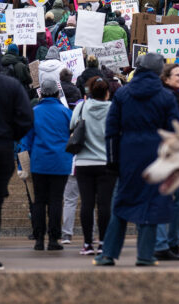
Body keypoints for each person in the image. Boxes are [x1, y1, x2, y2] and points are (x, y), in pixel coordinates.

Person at [95, 53, 179, 266]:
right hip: (157, 155)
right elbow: (175, 134)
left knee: (121, 204)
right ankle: (145, 255)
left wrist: (112, 161)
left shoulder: (123, 94)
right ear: (159, 71)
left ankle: (108, 254)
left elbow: (111, 131)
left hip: (128, 155)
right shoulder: (166, 97)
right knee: (152, 204)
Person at [22, 79, 73, 251]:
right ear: (57, 93)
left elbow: (25, 141)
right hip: (60, 161)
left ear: (41, 93)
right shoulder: (66, 112)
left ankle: (38, 239)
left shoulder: (34, 112)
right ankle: (53, 239)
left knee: (39, 201)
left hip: (39, 162)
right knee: (56, 201)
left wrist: (23, 165)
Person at [70, 77, 116, 256]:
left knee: (87, 204)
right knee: (104, 204)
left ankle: (87, 242)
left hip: (84, 162)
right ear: (107, 93)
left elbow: (72, 125)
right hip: (106, 161)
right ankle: (103, 242)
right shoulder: (112, 108)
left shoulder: (81, 107)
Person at [154, 64, 179, 261]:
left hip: (171, 155)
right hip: (173, 156)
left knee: (177, 198)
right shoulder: (170, 98)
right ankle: (169, 242)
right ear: (166, 78)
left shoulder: (172, 97)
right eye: (177, 74)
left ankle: (168, 242)